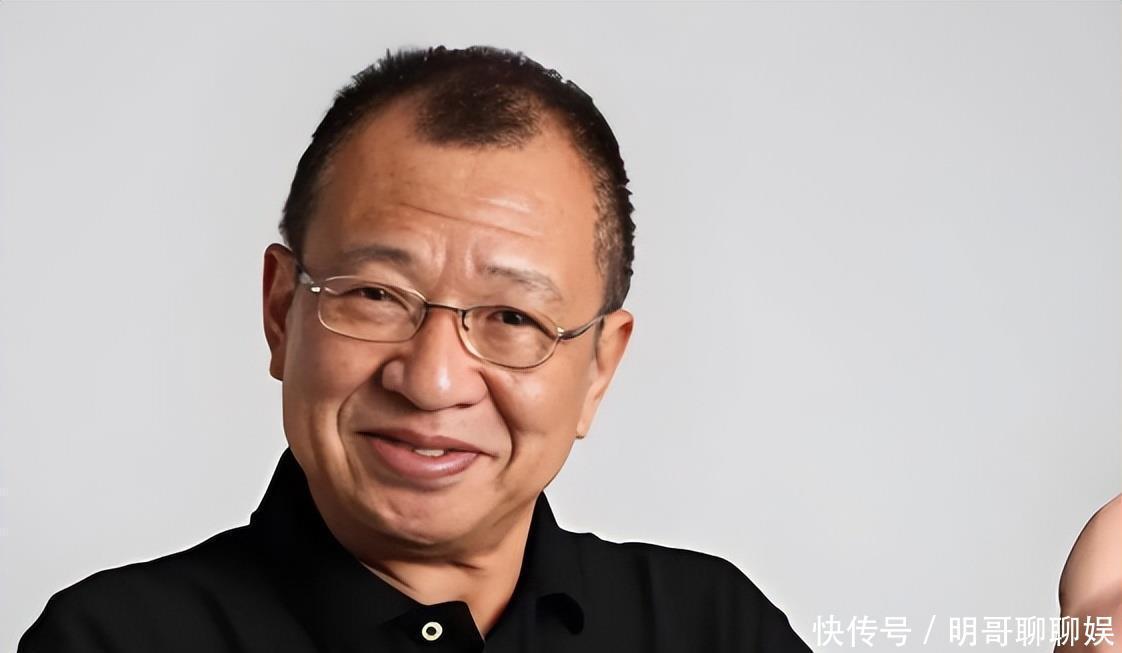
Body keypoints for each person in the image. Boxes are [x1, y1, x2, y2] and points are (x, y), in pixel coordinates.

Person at [18, 45, 811, 652]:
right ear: (281, 310)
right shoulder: (113, 639)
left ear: (600, 366)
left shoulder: (710, 627)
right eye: (375, 295)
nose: (432, 380)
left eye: (511, 317)